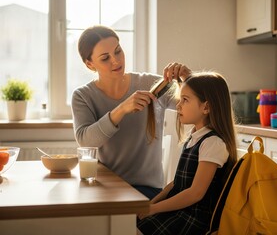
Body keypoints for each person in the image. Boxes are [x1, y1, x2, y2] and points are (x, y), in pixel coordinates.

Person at [71, 25, 190, 199]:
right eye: (105, 58)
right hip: (105, 187)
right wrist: (122, 109)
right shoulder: (83, 96)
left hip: (147, 190)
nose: (115, 61)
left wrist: (187, 78)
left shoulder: (151, 84)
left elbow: (197, 105)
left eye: (118, 51)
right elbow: (86, 141)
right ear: (90, 64)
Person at [137, 72, 238, 235]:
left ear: (206, 107)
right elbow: (175, 184)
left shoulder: (213, 143)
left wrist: (154, 208)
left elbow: (195, 193)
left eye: (185, 100)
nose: (178, 105)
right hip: (181, 210)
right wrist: (150, 205)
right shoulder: (194, 137)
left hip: (194, 219)